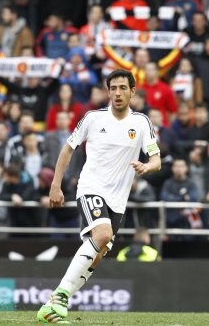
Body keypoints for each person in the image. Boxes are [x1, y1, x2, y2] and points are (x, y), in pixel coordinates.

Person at [36, 69, 161, 323]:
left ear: (132, 92)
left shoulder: (141, 123)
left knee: (100, 250)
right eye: (113, 88)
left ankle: (52, 306)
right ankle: (60, 297)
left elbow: (156, 159)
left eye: (122, 88)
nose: (117, 93)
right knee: (102, 235)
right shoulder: (92, 118)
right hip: (91, 187)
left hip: (119, 199)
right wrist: (55, 186)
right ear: (107, 91)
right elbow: (67, 150)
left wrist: (147, 166)